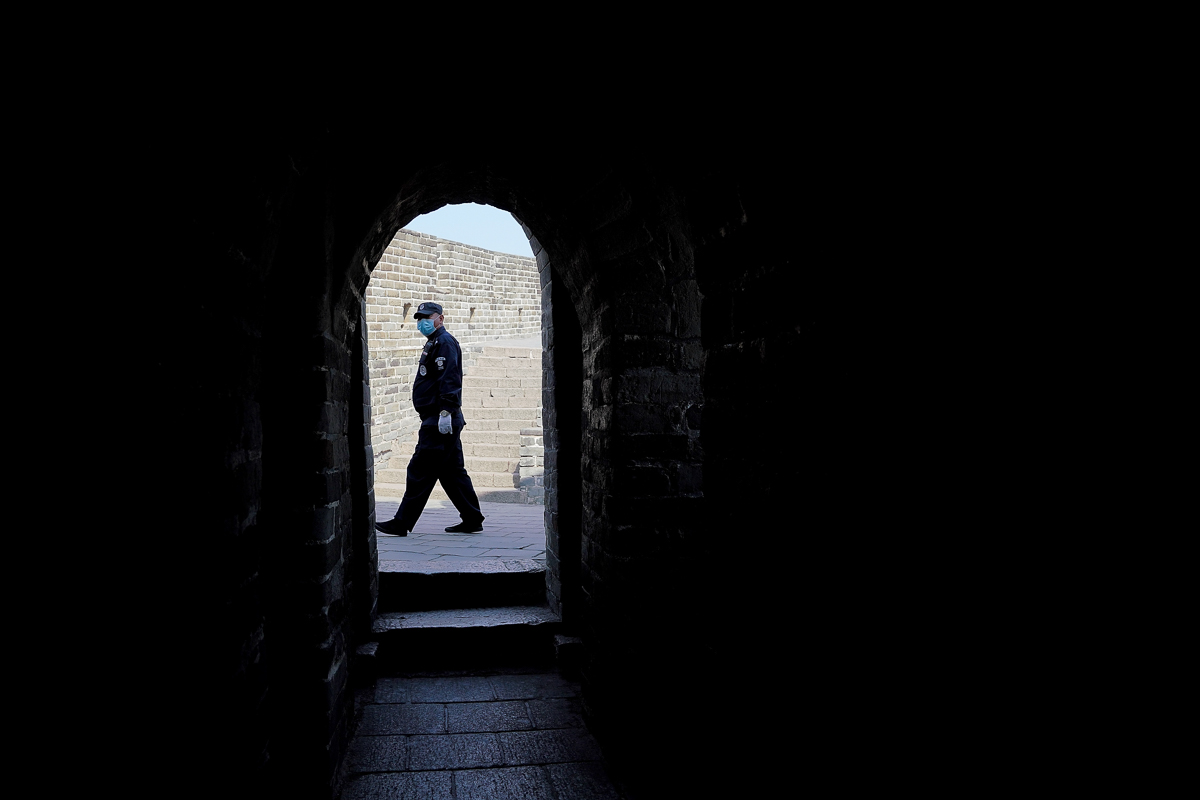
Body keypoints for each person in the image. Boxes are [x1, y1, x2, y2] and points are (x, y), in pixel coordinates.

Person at [376, 302, 486, 536]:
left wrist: (446, 411)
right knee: (452, 473)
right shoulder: (434, 342)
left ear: (440, 318)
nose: (421, 322)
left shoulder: (444, 342)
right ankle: (472, 518)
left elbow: (449, 378)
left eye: (427, 317)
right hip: (439, 418)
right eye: (419, 318)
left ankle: (402, 522)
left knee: (419, 470)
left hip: (440, 420)